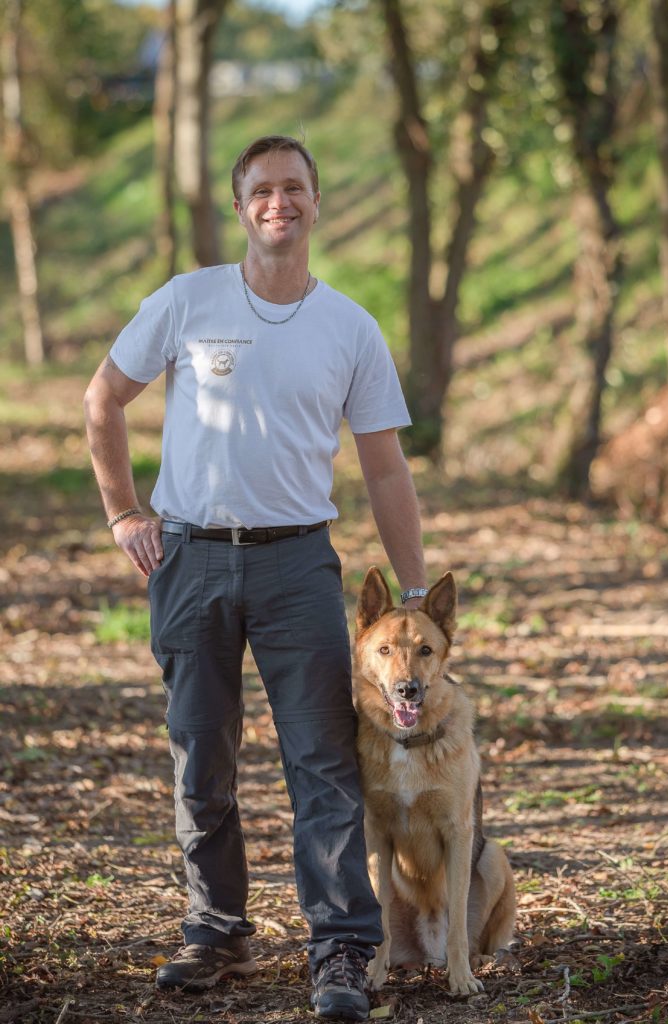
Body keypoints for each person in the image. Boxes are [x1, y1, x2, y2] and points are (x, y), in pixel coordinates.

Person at [83, 135, 428, 1022]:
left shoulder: (351, 326)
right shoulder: (189, 299)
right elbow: (103, 400)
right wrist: (126, 512)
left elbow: (385, 471)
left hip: (299, 564)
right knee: (202, 754)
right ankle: (218, 930)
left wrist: (416, 589)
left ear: (317, 204)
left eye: (295, 188)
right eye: (262, 190)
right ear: (240, 208)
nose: (279, 202)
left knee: (322, 760)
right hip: (191, 559)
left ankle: (342, 947)